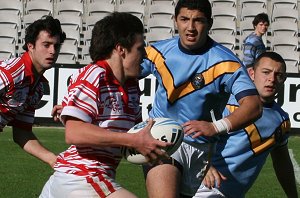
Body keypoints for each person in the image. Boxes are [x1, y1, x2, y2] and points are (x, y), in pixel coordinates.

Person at [40, 12, 171, 198]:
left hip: (81, 178)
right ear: (121, 49)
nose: (144, 56)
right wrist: (133, 140)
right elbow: (74, 133)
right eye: (140, 48)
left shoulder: (132, 87)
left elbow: (133, 138)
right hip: (81, 178)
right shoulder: (94, 74)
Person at [140, 0, 263, 197]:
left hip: (200, 149)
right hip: (162, 138)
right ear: (175, 21)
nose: (190, 27)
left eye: (198, 21)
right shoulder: (158, 52)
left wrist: (215, 127)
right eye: (184, 19)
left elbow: (254, 106)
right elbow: (124, 71)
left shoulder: (226, 63)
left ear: (210, 23)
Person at [195, 52, 298, 198]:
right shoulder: (226, 103)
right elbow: (189, 133)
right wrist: (204, 164)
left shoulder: (281, 120)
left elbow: (281, 161)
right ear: (251, 74)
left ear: (284, 80)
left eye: (278, 75)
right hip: (204, 187)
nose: (272, 79)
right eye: (266, 72)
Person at [0, 16, 66, 167]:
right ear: (30, 46)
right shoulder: (12, 72)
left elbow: (21, 132)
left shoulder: (38, 89)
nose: (52, 51)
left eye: (56, 46)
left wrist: (53, 159)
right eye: (46, 45)